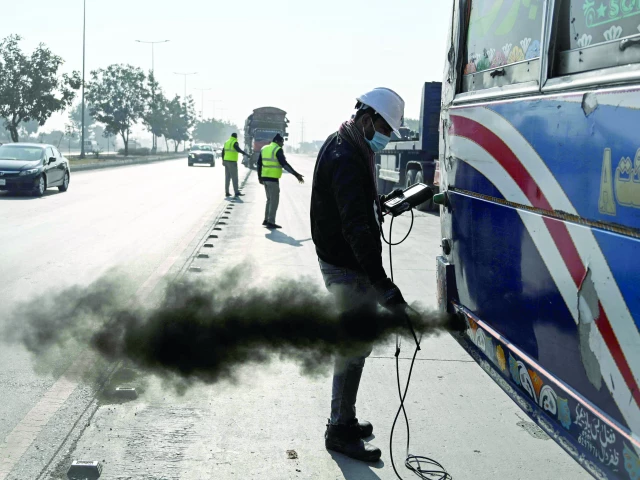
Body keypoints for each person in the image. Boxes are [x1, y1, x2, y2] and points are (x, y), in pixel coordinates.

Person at [310, 87, 408, 462]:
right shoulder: (345, 155)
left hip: (342, 259)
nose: (385, 137)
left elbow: (351, 206)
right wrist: (383, 284)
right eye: (384, 128)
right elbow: (354, 227)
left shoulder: (346, 142)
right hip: (345, 264)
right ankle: (339, 430)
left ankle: (344, 417)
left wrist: (381, 204)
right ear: (367, 119)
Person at [257, 133, 304, 229]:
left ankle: (266, 220)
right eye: (282, 142)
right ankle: (271, 221)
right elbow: (284, 164)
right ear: (277, 141)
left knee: (269, 200)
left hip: (265, 177)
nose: (283, 144)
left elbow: (259, 164)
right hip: (272, 179)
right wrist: (296, 174)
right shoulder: (277, 149)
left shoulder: (264, 148)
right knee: (274, 201)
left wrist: (259, 177)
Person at [221, 133, 249, 197]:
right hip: (232, 162)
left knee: (227, 177)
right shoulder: (234, 142)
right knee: (234, 177)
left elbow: (223, 152)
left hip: (226, 161)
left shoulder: (227, 142)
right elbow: (238, 149)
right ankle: (236, 192)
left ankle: (227, 192)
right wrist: (245, 154)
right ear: (236, 137)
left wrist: (223, 160)